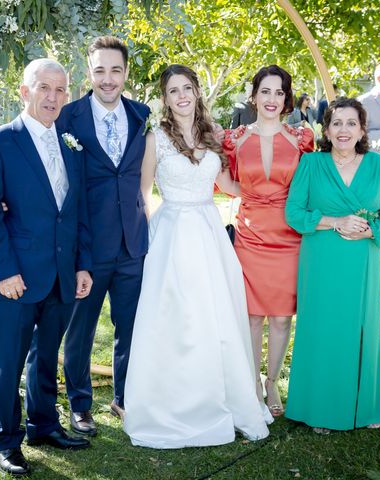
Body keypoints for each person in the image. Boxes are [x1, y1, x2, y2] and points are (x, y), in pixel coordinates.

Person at [123, 64, 272, 448]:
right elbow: (143, 195)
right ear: (165, 98)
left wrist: (270, 193)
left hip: (208, 232)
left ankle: (222, 396)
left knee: (215, 315)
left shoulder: (214, 135)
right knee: (172, 316)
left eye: (187, 88)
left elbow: (225, 183)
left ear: (197, 92)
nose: (182, 96)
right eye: (173, 91)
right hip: (171, 232)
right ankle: (171, 402)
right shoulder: (155, 138)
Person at [0, 58, 92, 476]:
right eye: (44, 88)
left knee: (45, 356)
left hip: (60, 273)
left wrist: (82, 266)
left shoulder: (72, 144)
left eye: (60, 90)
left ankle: (44, 426)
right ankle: (7, 441)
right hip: (14, 278)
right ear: (24, 92)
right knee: (7, 362)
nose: (53, 97)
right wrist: (3, 272)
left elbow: (77, 214)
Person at [284, 97, 380, 434]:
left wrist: (370, 232)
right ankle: (319, 407)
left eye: (351, 123)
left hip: (363, 259)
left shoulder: (378, 166)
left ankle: (365, 407)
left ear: (363, 129)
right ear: (326, 129)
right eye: (337, 123)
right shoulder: (311, 164)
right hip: (321, 259)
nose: (344, 130)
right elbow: (294, 213)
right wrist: (335, 221)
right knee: (322, 328)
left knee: (363, 329)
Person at [56, 36, 150, 436]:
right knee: (81, 330)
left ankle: (125, 396)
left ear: (126, 72)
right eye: (100, 70)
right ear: (88, 72)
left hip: (133, 244)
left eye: (116, 70)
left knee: (132, 327)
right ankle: (80, 404)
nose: (108, 79)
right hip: (86, 248)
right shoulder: (68, 117)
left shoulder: (143, 114)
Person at [223, 65, 313, 419]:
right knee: (252, 316)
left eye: (279, 92)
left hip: (289, 238)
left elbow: (310, 186)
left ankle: (272, 380)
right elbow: (226, 183)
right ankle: (250, 382)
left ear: (286, 98)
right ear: (254, 95)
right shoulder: (236, 138)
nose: (272, 99)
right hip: (249, 235)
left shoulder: (301, 139)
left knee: (280, 317)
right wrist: (253, 198)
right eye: (265, 91)